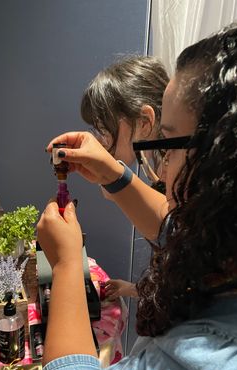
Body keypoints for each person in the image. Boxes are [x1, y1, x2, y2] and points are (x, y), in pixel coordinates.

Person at [38, 13, 237, 370]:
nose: (161, 167)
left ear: (227, 168)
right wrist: (114, 175)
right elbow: (182, 231)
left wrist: (68, 265)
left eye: (169, 142)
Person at [81, 55, 169, 299]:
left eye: (104, 127)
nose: (101, 138)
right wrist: (133, 289)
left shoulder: (176, 171)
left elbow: (176, 241)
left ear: (144, 122)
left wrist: (112, 177)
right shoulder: (156, 162)